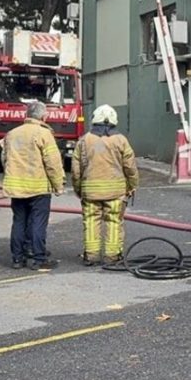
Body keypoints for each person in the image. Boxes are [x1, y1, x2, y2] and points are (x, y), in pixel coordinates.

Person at [71, 105, 138, 266]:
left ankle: (91, 256)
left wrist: (78, 188)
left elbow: (75, 169)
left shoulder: (84, 140)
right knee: (114, 222)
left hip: (90, 192)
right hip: (116, 192)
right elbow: (130, 166)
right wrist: (132, 185)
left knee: (91, 221)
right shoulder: (121, 140)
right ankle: (112, 256)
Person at [2, 101, 64, 269]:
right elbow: (52, 163)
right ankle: (39, 258)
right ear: (44, 116)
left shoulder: (12, 134)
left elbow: (4, 159)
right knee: (38, 223)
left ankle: (17, 259)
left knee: (19, 222)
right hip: (38, 187)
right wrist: (58, 185)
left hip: (16, 187)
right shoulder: (44, 133)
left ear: (26, 115)